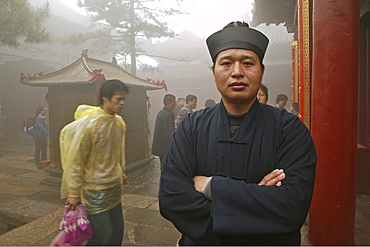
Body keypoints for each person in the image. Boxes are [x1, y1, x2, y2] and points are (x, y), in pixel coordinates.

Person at [159, 21, 316, 246]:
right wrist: (258, 201)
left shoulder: (289, 129)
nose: (237, 72)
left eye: (248, 63)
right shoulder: (192, 126)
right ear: (213, 72)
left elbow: (292, 206)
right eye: (226, 63)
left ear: (261, 71)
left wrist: (211, 186)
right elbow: (172, 198)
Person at [60, 79, 129, 246]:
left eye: (123, 99)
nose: (121, 103)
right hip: (94, 188)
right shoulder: (90, 125)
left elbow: (118, 152)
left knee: (117, 233)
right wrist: (74, 193)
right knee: (103, 234)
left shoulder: (119, 122)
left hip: (113, 185)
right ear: (105, 98)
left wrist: (121, 172)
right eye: (117, 99)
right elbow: (77, 161)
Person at [152, 94, 176, 169]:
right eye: (174, 102)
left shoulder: (161, 112)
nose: (175, 104)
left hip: (160, 147)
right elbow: (168, 134)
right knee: (166, 168)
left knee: (163, 167)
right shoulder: (168, 115)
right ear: (168, 102)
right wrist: (171, 148)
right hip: (165, 148)